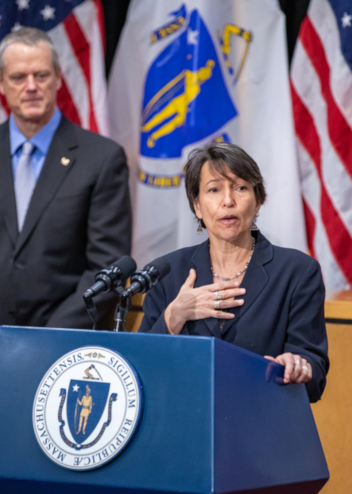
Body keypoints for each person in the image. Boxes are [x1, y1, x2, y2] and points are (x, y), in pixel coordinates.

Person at [0, 28, 131, 494]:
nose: (31, 86)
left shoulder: (101, 158)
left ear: (59, 77)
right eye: (19, 77)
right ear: (0, 82)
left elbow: (105, 268)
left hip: (66, 366)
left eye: (41, 74)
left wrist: (36, 348)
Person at [139, 142, 328, 405]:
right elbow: (141, 366)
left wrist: (297, 366)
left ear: (258, 201)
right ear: (197, 205)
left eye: (240, 188)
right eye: (214, 190)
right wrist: (174, 316)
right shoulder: (168, 272)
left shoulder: (297, 272)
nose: (228, 201)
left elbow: (314, 368)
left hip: (262, 419)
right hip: (185, 418)